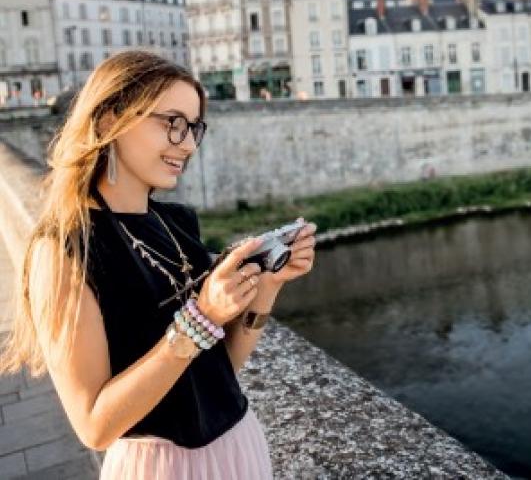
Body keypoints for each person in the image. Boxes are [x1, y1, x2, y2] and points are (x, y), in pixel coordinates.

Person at [0, 50, 317, 479]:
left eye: (193, 128)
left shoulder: (177, 222)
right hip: (161, 467)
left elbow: (218, 367)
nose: (187, 144)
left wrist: (267, 289)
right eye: (173, 123)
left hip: (239, 449)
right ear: (111, 120)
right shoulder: (63, 251)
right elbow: (94, 426)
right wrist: (201, 316)